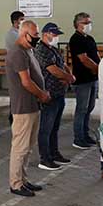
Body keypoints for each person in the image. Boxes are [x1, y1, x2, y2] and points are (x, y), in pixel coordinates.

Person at [6, 20, 50, 197]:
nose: (37, 38)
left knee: (28, 146)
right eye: (35, 35)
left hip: (32, 106)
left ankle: (23, 179)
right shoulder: (17, 53)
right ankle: (16, 183)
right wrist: (42, 95)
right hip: (23, 107)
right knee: (20, 147)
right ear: (24, 35)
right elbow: (26, 81)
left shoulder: (27, 51)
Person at [35, 23, 75, 171]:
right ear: (46, 34)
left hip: (59, 93)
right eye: (54, 34)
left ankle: (54, 153)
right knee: (46, 127)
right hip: (49, 93)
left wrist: (68, 75)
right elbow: (52, 69)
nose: (56, 37)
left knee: (55, 127)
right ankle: (45, 158)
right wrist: (68, 78)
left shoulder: (54, 49)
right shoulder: (41, 50)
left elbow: (62, 65)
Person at [69, 12, 100, 150]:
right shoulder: (76, 39)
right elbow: (83, 59)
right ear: (78, 24)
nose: (89, 25)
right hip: (82, 79)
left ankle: (85, 134)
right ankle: (78, 137)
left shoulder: (90, 38)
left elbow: (95, 55)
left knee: (90, 107)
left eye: (89, 22)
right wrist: (97, 69)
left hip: (93, 78)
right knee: (81, 109)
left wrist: (100, 67)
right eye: (86, 23)